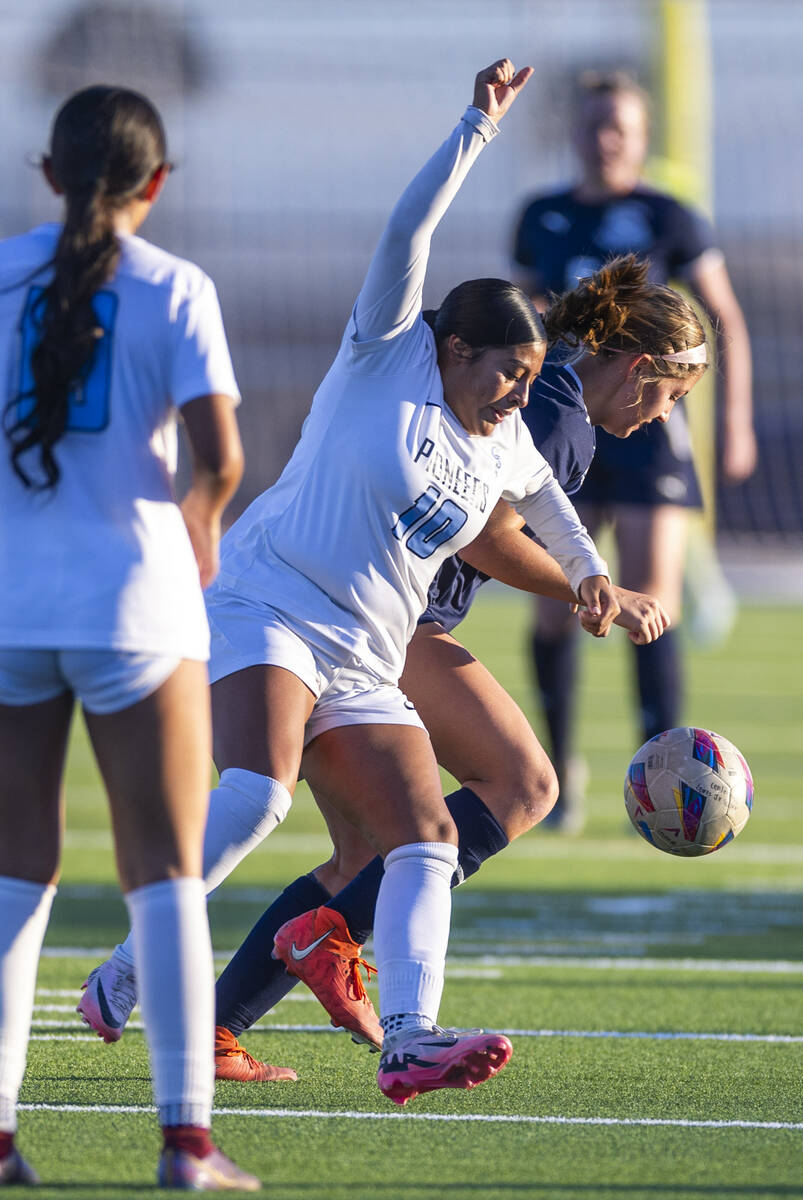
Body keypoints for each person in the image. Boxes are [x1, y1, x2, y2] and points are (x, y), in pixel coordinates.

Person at [76, 58, 622, 1108]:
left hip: (365, 652)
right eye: (503, 370)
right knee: (256, 794)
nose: (516, 391)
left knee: (425, 839)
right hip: (268, 599)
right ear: (452, 347)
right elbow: (405, 234)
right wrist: (474, 125)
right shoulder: (384, 354)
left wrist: (592, 575)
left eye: (527, 374)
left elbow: (548, 499)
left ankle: (409, 1039)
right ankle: (130, 969)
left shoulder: (500, 439)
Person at [176, 255, 710, 1077]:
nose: (663, 418)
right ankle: (322, 938)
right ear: (639, 369)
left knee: (364, 856)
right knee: (526, 782)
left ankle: (217, 1026)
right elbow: (491, 540)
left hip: (354, 610)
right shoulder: (559, 417)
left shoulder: (545, 383)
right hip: (389, 622)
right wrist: (594, 588)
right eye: (673, 398)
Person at [0, 86, 259, 1190]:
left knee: (14, 876)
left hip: (10, 605)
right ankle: (184, 1144)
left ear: (47, 173)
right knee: (163, 873)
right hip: (133, 611)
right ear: (156, 184)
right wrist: (199, 529)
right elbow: (222, 454)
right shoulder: (175, 286)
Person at [512, 70, 755, 830]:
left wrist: (736, 421)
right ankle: (560, 774)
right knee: (555, 609)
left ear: (643, 136)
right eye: (593, 124)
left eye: (619, 125)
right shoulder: (542, 216)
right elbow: (519, 324)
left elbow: (724, 319)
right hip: (567, 424)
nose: (605, 138)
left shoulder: (669, 215)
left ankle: (666, 770)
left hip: (650, 435)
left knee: (652, 603)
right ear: (575, 134)